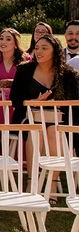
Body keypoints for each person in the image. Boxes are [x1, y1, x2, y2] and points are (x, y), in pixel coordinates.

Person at [10, 34, 79, 191]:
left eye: (44, 48)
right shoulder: (24, 70)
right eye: (37, 48)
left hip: (59, 119)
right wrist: (33, 102)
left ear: (54, 51)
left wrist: (58, 104)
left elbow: (75, 103)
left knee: (54, 132)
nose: (39, 51)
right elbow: (15, 99)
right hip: (28, 116)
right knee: (37, 131)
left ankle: (52, 183)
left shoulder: (68, 74)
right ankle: (31, 180)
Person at [0, 28, 29, 116]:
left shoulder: (27, 60)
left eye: (8, 39)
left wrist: (13, 83)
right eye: (1, 39)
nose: (3, 42)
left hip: (20, 99)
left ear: (15, 44)